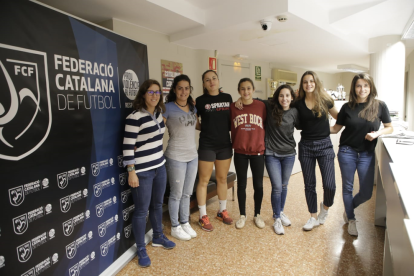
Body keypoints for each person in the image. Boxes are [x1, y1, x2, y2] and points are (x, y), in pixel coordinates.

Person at [330, 73, 393, 236]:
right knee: (348, 187)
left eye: (366, 85)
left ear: (371, 87)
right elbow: (336, 129)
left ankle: (349, 208)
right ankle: (351, 219)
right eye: (359, 85)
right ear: (354, 88)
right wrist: (316, 128)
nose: (362, 89)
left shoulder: (379, 106)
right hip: (347, 151)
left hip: (367, 153)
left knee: (366, 192)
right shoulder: (347, 107)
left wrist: (377, 134)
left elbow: (389, 127)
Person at [123, 79, 175, 268]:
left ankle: (158, 237)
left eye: (157, 92)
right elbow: (128, 148)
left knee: (157, 205)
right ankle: (140, 249)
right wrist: (132, 172)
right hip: (142, 172)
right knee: (141, 211)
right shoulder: (134, 117)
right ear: (143, 94)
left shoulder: (159, 114)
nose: (154, 95)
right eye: (150, 92)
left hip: (159, 167)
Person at [295, 71, 338, 231]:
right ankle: (313, 217)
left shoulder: (325, 99)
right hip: (306, 146)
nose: (308, 84)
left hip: (325, 146)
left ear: (316, 82)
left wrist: (333, 130)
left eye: (311, 81)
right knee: (309, 184)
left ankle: (325, 208)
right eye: (305, 82)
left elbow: (340, 117)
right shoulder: (298, 103)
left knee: (330, 185)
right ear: (302, 85)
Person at [195, 70, 233, 231]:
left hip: (224, 144)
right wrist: (205, 128)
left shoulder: (227, 98)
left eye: (214, 78)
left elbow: (233, 116)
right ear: (203, 84)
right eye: (207, 80)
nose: (211, 82)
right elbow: (193, 120)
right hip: (207, 145)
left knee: (222, 178)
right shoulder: (199, 101)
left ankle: (222, 211)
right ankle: (203, 215)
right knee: (203, 181)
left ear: (218, 80)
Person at [163, 74, 198, 241]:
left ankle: (185, 222)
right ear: (174, 90)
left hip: (193, 156)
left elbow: (197, 125)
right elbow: (157, 128)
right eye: (180, 88)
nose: (184, 91)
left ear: (190, 89)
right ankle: (175, 226)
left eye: (187, 88)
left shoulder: (193, 107)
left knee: (187, 193)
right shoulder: (167, 107)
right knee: (176, 194)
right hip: (175, 156)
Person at [230, 78, 266, 229]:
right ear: (239, 91)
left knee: (258, 185)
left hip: (257, 152)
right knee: (242, 185)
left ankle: (257, 214)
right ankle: (242, 215)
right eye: (243, 89)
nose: (246, 92)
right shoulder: (233, 107)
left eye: (249, 88)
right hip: (240, 152)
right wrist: (238, 101)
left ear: (253, 89)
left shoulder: (261, 106)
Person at [264, 84, 300, 235]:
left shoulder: (295, 112)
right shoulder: (269, 107)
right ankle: (277, 217)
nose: (284, 98)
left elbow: (303, 125)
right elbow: (251, 100)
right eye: (281, 95)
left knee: (284, 185)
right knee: (277, 186)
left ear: (292, 97)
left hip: (289, 154)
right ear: (276, 97)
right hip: (271, 153)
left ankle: (281, 211)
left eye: (287, 95)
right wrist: (240, 100)